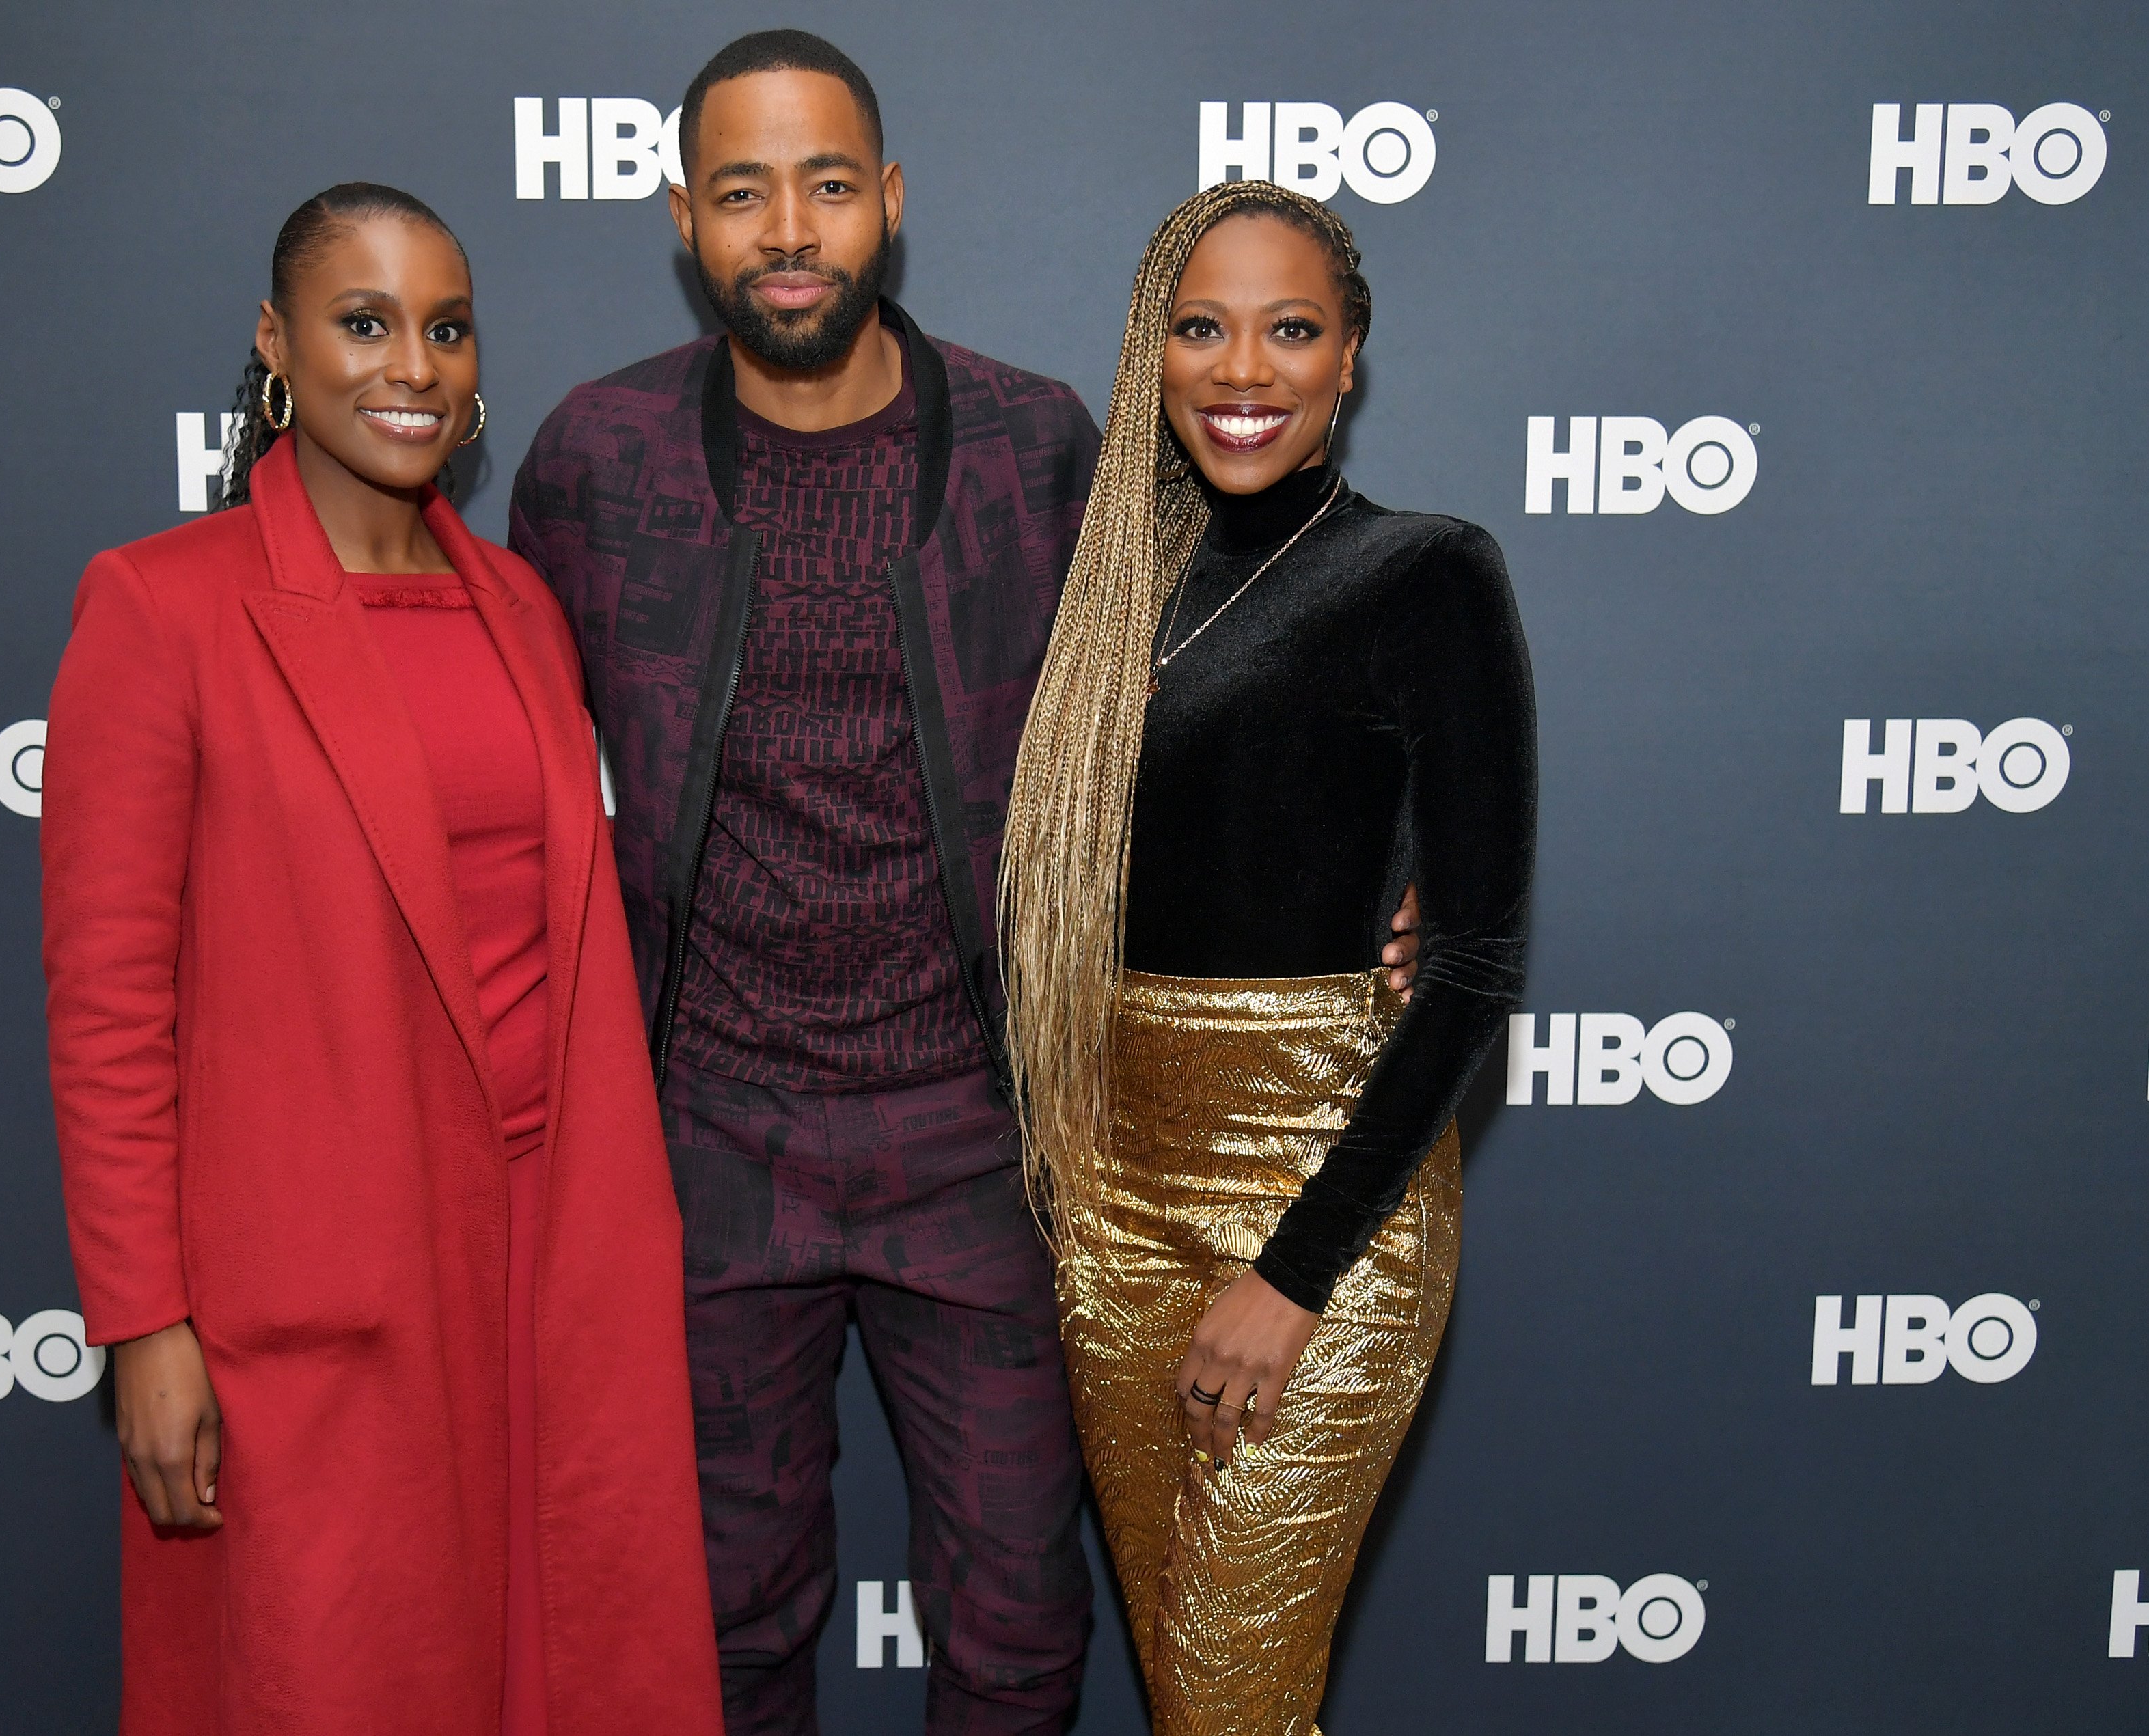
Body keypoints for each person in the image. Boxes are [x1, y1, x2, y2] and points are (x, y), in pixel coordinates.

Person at [508, 33, 1421, 1735]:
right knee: (725, 1616)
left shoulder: (1032, 446)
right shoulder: (594, 461)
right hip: (702, 1137)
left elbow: (1175, 717)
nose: (790, 228)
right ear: (684, 220)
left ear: (891, 205)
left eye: (829, 185)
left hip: (981, 1136)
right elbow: (492, 761)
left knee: (1016, 1624)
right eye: (743, 191)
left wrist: (1373, 872)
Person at [40, 182, 720, 1736]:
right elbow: (108, 1004)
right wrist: (144, 1325)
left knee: (575, 1665)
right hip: (323, 1276)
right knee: (345, 1674)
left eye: (446, 326)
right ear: (277, 345)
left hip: (557, 1251)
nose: (411, 362)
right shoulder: (160, 606)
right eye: (364, 322)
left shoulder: (522, 607)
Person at [999, 179, 1537, 1734]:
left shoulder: (1426, 573)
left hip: (1320, 1202)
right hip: (1110, 1198)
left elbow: (1476, 958)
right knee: (1196, 1691)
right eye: (1203, 326)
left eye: (1291, 329)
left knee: (1231, 1694)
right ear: (1149, 350)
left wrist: (1295, 1272)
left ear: (1351, 355)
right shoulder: (1111, 596)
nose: (1245, 369)